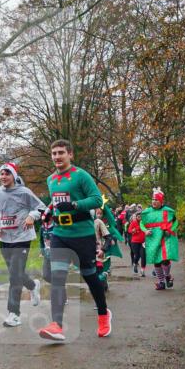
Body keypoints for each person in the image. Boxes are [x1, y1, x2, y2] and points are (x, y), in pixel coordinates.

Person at [38, 140, 113, 342]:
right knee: (58, 278)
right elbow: (55, 202)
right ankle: (56, 325)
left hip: (82, 234)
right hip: (60, 235)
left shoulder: (81, 175)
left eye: (61, 152)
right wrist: (48, 212)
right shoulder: (51, 179)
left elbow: (97, 200)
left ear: (70, 154)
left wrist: (74, 204)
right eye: (53, 153)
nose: (56, 157)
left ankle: (104, 314)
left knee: (90, 276)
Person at [0, 162, 45, 327]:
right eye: (1, 174)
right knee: (17, 273)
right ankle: (32, 285)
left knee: (14, 276)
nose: (3, 177)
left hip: (22, 238)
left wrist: (31, 216)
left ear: (13, 175)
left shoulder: (24, 192)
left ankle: (14, 314)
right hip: (5, 239)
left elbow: (42, 208)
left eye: (7, 173)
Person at [140, 187, 180, 290]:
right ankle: (161, 282)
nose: (154, 201)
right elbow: (142, 223)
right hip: (152, 238)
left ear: (161, 201)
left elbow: (175, 222)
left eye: (156, 199)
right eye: (153, 199)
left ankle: (167, 276)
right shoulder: (147, 212)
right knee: (156, 261)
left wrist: (170, 229)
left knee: (165, 259)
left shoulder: (168, 211)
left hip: (165, 238)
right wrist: (145, 231)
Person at [127, 212, 147, 277]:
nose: (140, 218)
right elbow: (129, 230)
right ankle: (135, 264)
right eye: (138, 217)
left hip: (143, 242)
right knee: (137, 255)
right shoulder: (133, 223)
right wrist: (135, 229)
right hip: (135, 242)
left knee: (143, 255)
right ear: (136, 217)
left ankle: (142, 271)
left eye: (141, 217)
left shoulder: (145, 223)